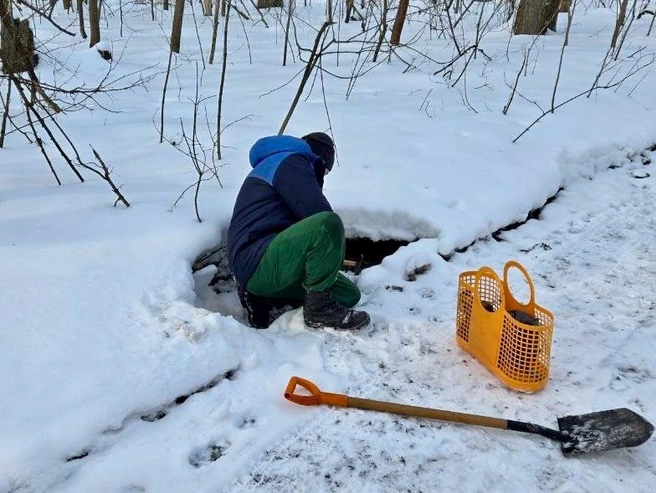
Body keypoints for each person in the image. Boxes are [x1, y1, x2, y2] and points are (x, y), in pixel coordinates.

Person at [227, 132, 370, 330]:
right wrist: (332, 257)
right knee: (327, 223)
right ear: (319, 160)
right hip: (256, 258)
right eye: (324, 172)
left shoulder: (278, 165)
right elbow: (317, 214)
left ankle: (268, 297)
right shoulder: (290, 161)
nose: (322, 178)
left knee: (348, 294)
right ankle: (318, 310)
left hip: (262, 263)